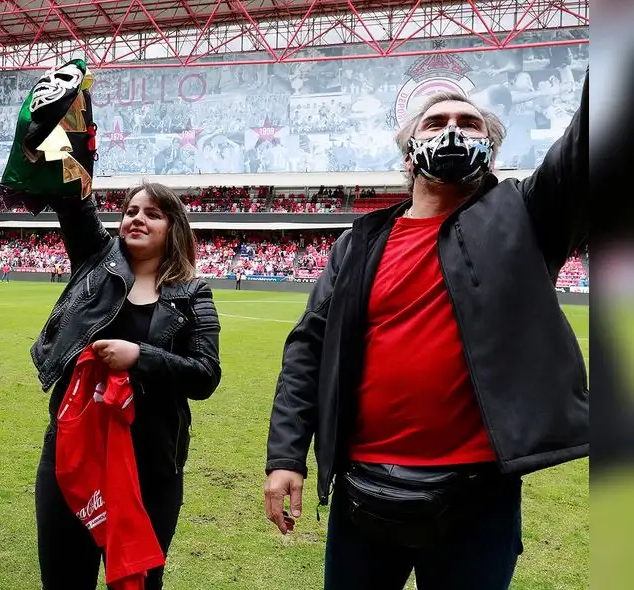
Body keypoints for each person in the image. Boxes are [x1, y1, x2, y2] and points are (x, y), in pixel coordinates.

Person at [263, 71, 588, 590]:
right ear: (410, 151)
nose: (454, 130)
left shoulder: (526, 219)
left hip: (477, 496)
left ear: (491, 151)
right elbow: (308, 348)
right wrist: (285, 456)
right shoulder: (359, 243)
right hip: (362, 489)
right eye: (437, 121)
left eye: (470, 123)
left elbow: (590, 143)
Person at [32, 182, 222, 589]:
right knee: (64, 578)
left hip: (149, 463)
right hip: (74, 454)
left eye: (152, 213)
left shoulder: (193, 294)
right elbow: (74, 203)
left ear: (173, 228)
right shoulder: (95, 261)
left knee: (139, 581)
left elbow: (206, 374)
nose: (137, 218)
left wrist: (140, 356)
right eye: (131, 211)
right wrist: (68, 142)